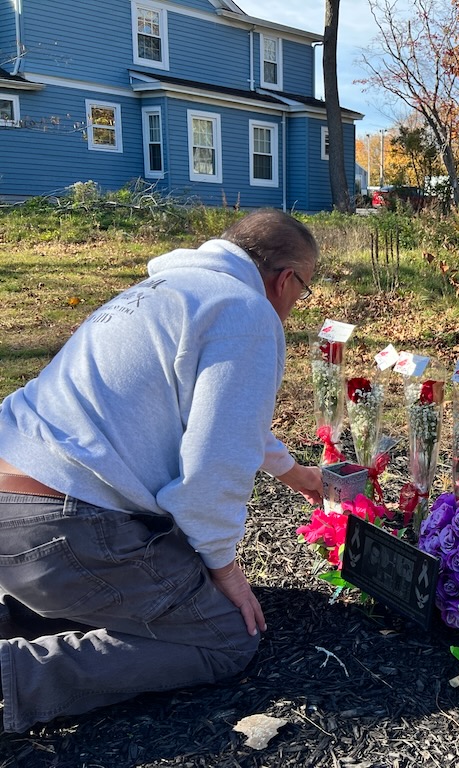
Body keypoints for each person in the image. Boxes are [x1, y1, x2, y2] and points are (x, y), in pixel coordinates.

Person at [0, 208, 324, 732]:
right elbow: (215, 463)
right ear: (287, 279)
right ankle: (14, 677)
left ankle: (19, 611)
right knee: (226, 637)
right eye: (303, 291)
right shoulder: (248, 311)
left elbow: (223, 418)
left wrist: (297, 474)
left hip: (16, 503)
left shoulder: (169, 291)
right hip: (60, 522)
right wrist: (223, 568)